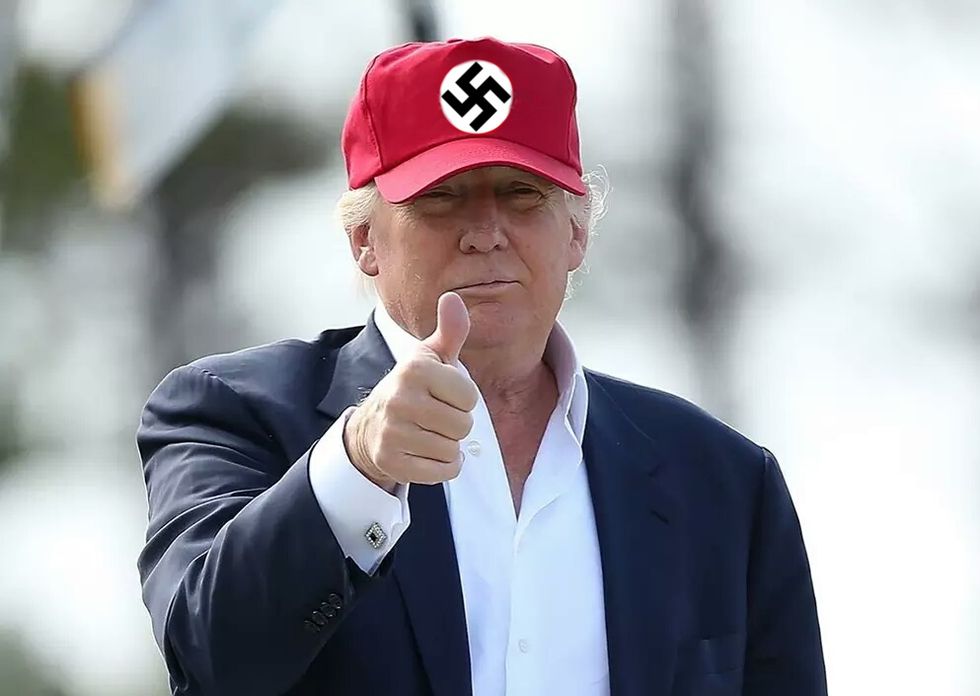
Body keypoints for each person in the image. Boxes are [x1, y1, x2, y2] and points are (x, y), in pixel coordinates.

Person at [136, 36, 827, 696]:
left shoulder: (722, 479)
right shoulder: (233, 412)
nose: (487, 233)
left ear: (577, 231)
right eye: (440, 197)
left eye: (523, 193)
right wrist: (357, 466)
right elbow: (208, 659)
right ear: (363, 240)